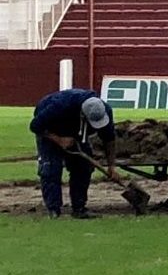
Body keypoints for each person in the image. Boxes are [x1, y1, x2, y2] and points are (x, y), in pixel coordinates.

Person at [29, 89, 117, 219]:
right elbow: (35, 126)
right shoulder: (60, 106)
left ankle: (79, 208)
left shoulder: (105, 111)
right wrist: (59, 139)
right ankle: (54, 210)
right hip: (50, 128)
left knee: (83, 167)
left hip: (77, 132)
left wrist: (111, 167)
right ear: (83, 114)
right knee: (51, 168)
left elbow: (109, 139)